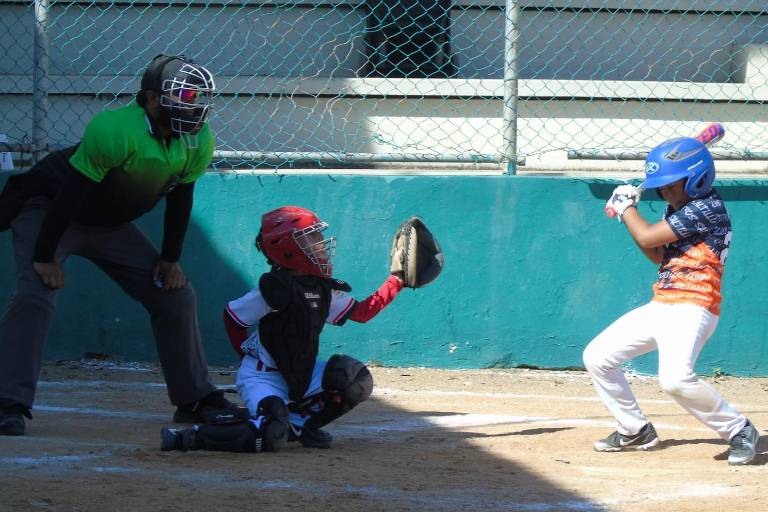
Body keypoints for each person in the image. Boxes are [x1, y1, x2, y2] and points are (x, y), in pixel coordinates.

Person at [0, 54, 234, 436]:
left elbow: (180, 198)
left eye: (197, 98)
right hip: (50, 210)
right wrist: (44, 257)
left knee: (176, 296)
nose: (192, 107)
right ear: (152, 99)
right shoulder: (115, 128)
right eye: (183, 96)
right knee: (35, 295)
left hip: (107, 224)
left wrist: (169, 259)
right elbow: (71, 193)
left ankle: (194, 399)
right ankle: (7, 402)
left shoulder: (198, 139)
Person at [160, 205, 407, 452]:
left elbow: (363, 313)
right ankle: (189, 437)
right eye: (311, 237)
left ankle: (297, 425)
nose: (321, 242)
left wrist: (397, 281)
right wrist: (245, 354)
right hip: (262, 377)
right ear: (287, 249)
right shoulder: (274, 288)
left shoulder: (321, 287)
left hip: (301, 373)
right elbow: (233, 318)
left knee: (354, 377)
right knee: (269, 433)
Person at [583, 136, 759, 465]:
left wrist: (627, 206)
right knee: (598, 356)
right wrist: (627, 216)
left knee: (675, 379)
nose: (665, 192)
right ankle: (634, 428)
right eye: (661, 187)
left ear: (697, 178)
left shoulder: (707, 207)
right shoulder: (677, 206)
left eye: (670, 185)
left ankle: (739, 430)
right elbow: (655, 253)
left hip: (694, 306)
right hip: (663, 304)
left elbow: (648, 234)